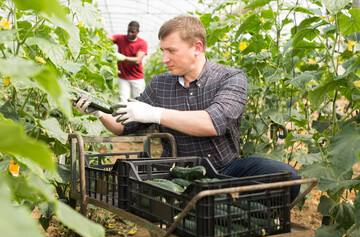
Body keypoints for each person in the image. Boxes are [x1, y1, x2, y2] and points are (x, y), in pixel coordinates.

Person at [75, 15, 301, 202]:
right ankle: (211, 205)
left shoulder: (230, 78)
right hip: (176, 173)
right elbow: (122, 126)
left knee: (288, 177)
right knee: (136, 188)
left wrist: (156, 114)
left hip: (224, 168)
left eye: (171, 51)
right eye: (163, 50)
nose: (164, 58)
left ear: (197, 48)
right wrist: (99, 111)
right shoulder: (160, 84)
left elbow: (214, 122)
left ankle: (234, 209)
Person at [107, 21, 148, 102]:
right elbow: (109, 38)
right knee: (123, 100)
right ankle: (124, 114)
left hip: (137, 78)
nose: (129, 33)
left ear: (137, 32)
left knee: (139, 100)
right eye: (128, 31)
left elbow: (137, 60)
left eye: (132, 32)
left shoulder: (142, 43)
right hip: (123, 77)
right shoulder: (121, 38)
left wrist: (123, 57)